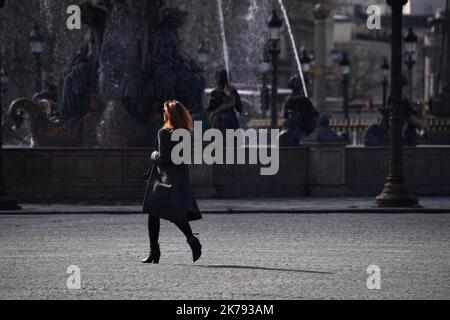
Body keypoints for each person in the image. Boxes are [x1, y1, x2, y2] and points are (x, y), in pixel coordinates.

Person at [141, 100, 203, 264]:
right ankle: (189, 241)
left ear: (170, 114)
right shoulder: (186, 132)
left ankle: (155, 251)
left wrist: (153, 154)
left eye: (164, 111)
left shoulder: (164, 132)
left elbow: (163, 158)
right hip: (181, 176)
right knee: (166, 212)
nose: (162, 113)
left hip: (165, 178)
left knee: (156, 211)